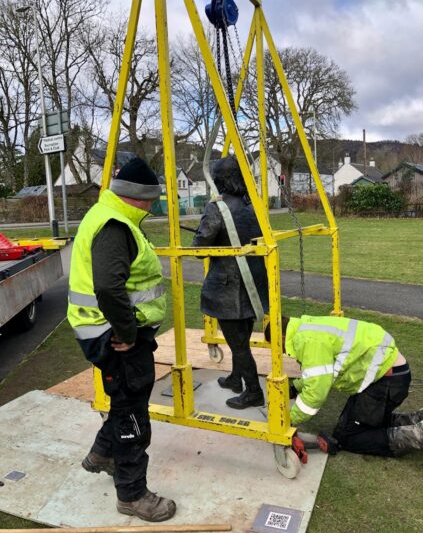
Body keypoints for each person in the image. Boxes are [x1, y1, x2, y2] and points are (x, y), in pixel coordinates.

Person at [67, 158, 176, 522]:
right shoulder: (114, 225)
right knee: (132, 415)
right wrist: (128, 334)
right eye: (151, 200)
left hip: (106, 330)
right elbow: (108, 287)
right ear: (138, 198)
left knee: (124, 400)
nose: (152, 207)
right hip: (115, 336)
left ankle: (101, 454)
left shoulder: (109, 215)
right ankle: (132, 496)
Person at [283, 314, 423, 456]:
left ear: (281, 338)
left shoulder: (308, 342)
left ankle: (417, 435)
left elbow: (315, 394)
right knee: (350, 427)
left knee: (347, 437)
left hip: (387, 381)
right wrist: (296, 387)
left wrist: (288, 420)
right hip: (389, 373)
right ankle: (415, 419)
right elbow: (323, 373)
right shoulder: (308, 328)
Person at [192, 156, 269, 409]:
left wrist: (202, 234)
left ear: (220, 180)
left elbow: (200, 247)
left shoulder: (218, 207)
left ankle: (254, 391)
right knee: (242, 339)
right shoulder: (254, 205)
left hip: (228, 286)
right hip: (253, 282)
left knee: (238, 344)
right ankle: (237, 379)